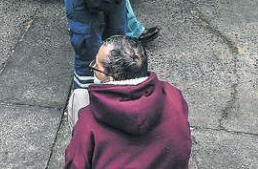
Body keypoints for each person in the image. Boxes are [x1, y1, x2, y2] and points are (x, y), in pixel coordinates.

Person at [64, 35, 192, 169]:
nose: (94, 67)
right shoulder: (172, 95)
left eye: (96, 66)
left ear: (111, 78)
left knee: (79, 96)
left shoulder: (89, 121)